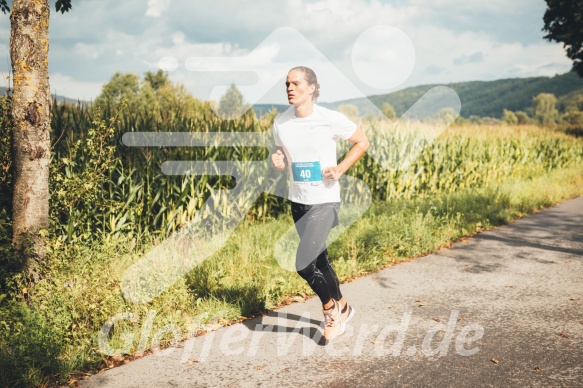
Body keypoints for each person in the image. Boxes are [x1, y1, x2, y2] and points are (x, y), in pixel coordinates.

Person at [270, 66, 370, 340]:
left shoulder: (330, 119)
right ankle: (345, 307)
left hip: (325, 201)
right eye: (287, 84)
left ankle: (331, 312)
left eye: (296, 83)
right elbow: (280, 153)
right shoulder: (281, 122)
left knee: (304, 263)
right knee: (321, 261)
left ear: (312, 88)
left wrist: (340, 169)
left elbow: (362, 141)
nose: (290, 88)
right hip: (298, 201)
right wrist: (277, 160)